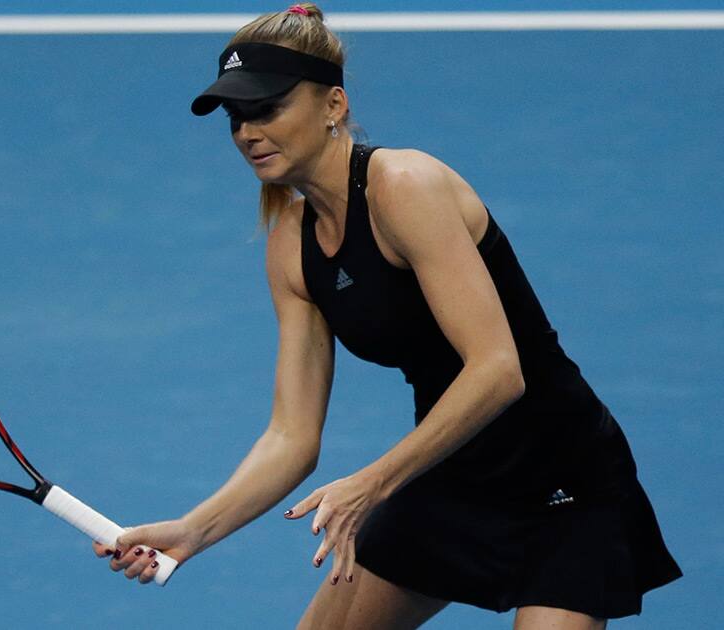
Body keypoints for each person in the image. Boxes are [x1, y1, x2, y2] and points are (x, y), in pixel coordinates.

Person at [93, 4, 682, 628]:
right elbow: (291, 437)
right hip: (455, 472)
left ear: (333, 105)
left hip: (564, 481)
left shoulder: (404, 187)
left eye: (266, 109)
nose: (247, 132)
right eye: (237, 118)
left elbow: (498, 370)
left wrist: (374, 483)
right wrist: (193, 531)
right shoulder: (290, 245)